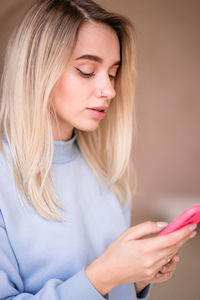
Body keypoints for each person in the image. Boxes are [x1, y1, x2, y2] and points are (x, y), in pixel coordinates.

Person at [0, 0, 197, 299]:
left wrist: (136, 278)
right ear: (36, 71)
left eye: (113, 73)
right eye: (87, 70)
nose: (109, 90)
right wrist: (105, 275)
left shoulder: (107, 174)